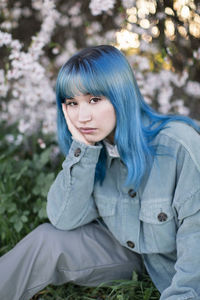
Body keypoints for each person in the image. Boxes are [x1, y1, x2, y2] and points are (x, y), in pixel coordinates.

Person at [0, 45, 200, 300]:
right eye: (72, 103)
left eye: (94, 100)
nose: (82, 116)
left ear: (121, 95)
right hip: (126, 253)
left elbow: (196, 238)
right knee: (46, 239)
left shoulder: (178, 145)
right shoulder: (95, 148)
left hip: (175, 267)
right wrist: (82, 150)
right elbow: (63, 219)